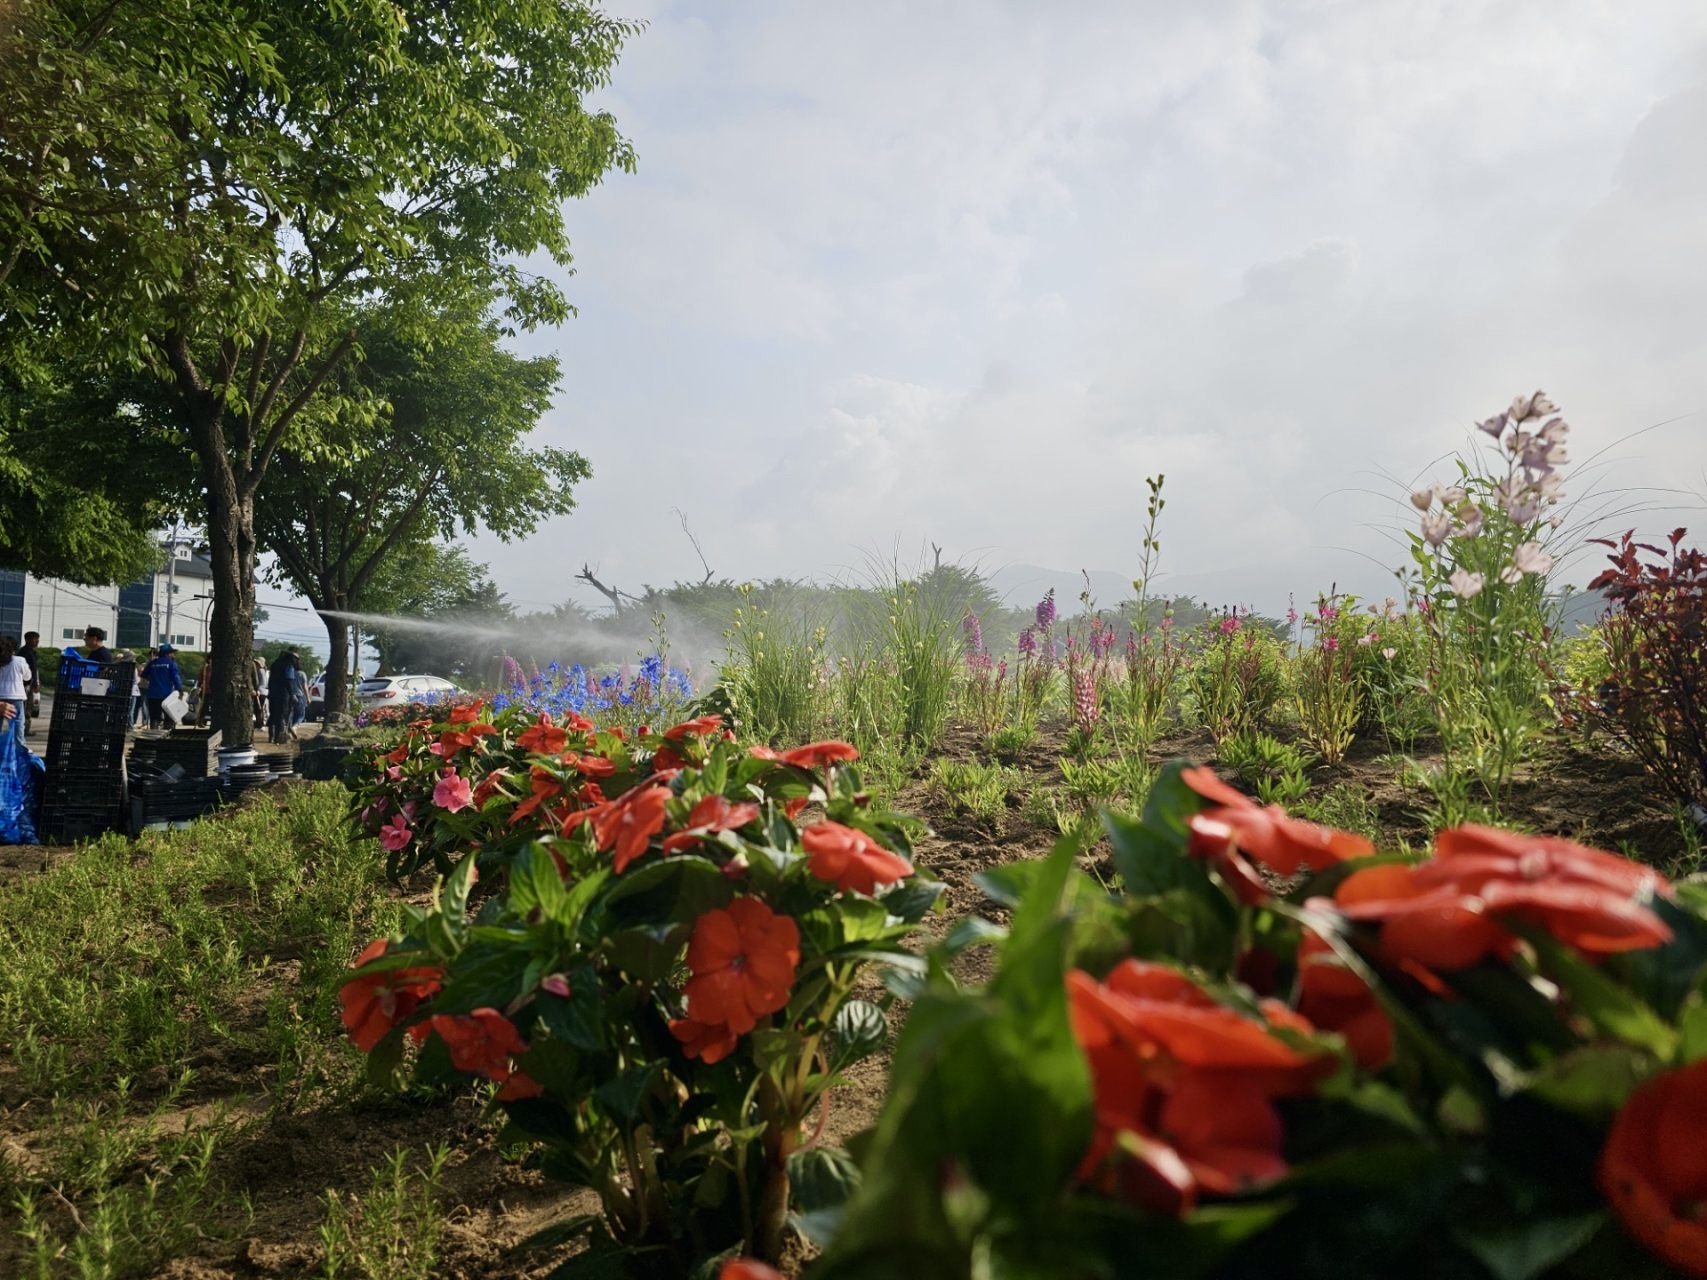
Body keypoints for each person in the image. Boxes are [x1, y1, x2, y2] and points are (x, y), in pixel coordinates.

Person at [142, 643, 184, 729]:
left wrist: (153, 679)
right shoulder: (171, 663)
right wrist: (180, 690)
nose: (173, 654)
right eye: (172, 653)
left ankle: (154, 731)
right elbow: (176, 678)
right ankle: (167, 733)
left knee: (154, 717)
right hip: (167, 695)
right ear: (168, 654)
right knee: (169, 717)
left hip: (152, 694)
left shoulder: (152, 663)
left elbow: (144, 675)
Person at [0, 636, 28, 745]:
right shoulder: (19, 660)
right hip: (16, 695)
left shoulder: (1, 661)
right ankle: (20, 746)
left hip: (1, 695)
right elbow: (27, 676)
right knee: (18, 722)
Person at [266, 652, 295, 745]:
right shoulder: (289, 665)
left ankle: (271, 736)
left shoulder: (274, 664)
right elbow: (289, 681)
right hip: (283, 694)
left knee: (273, 714)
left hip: (273, 693)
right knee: (281, 715)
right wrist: (292, 694)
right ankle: (278, 737)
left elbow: (270, 679)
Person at [19, 632, 39, 735]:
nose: (37, 641)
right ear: (27, 640)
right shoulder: (24, 652)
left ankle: (25, 728)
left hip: (29, 683)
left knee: (28, 706)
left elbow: (34, 669)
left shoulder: (31, 652)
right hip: (25, 684)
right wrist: (33, 683)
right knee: (26, 706)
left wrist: (36, 682)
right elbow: (28, 670)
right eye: (35, 639)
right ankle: (24, 729)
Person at [289, 655, 309, 736]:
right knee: (301, 714)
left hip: (291, 695)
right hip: (300, 695)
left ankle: (290, 732)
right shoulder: (302, 674)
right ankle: (295, 727)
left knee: (292, 714)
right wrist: (308, 698)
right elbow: (305, 687)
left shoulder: (290, 673)